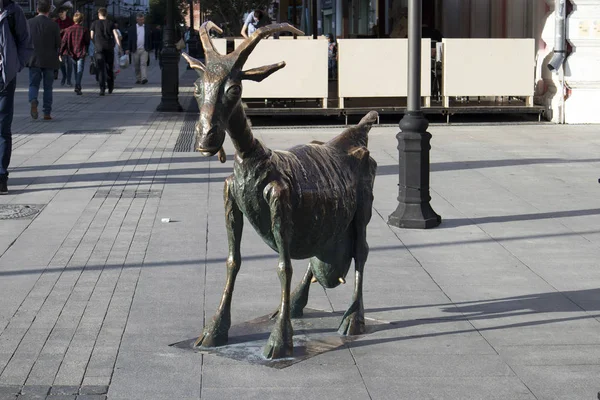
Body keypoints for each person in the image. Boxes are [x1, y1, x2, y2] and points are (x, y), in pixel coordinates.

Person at [0, 0, 33, 194]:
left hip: (4, 78)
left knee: (2, 128)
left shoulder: (13, 12)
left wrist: (14, 67)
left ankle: (1, 176)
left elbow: (25, 43)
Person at [27, 0, 60, 121]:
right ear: (49, 11)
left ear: (37, 10)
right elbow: (58, 43)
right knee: (48, 87)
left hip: (33, 59)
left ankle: (33, 100)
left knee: (33, 84)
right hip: (50, 60)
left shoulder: (29, 23)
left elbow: (24, 40)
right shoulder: (53, 24)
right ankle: (47, 112)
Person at [90, 7, 121, 95]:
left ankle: (102, 89)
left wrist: (95, 43)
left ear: (98, 14)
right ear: (106, 14)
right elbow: (116, 35)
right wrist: (119, 47)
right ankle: (110, 87)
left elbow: (91, 36)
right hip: (109, 47)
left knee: (100, 69)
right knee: (109, 68)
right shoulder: (111, 23)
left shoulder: (94, 23)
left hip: (99, 48)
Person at [60, 11, 89, 95]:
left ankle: (77, 85)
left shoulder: (69, 29)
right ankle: (78, 85)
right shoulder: (84, 29)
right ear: (82, 20)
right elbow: (87, 42)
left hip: (71, 53)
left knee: (75, 69)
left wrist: (60, 53)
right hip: (81, 52)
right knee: (80, 70)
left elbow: (63, 42)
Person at [126, 13, 152, 84]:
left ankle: (144, 78)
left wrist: (149, 48)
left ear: (144, 20)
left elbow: (149, 38)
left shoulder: (147, 27)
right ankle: (138, 78)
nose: (141, 21)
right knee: (137, 65)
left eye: (142, 19)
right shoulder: (132, 28)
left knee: (143, 64)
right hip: (135, 49)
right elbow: (130, 39)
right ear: (137, 20)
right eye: (139, 20)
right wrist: (128, 48)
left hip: (144, 49)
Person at [55, 7, 73, 86]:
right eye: (60, 13)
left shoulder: (70, 21)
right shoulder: (56, 22)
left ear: (66, 12)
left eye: (62, 13)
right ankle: (64, 76)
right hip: (60, 44)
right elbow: (54, 32)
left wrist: (67, 30)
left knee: (69, 63)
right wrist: (60, 31)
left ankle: (68, 79)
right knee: (61, 62)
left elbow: (73, 31)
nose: (61, 15)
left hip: (69, 45)